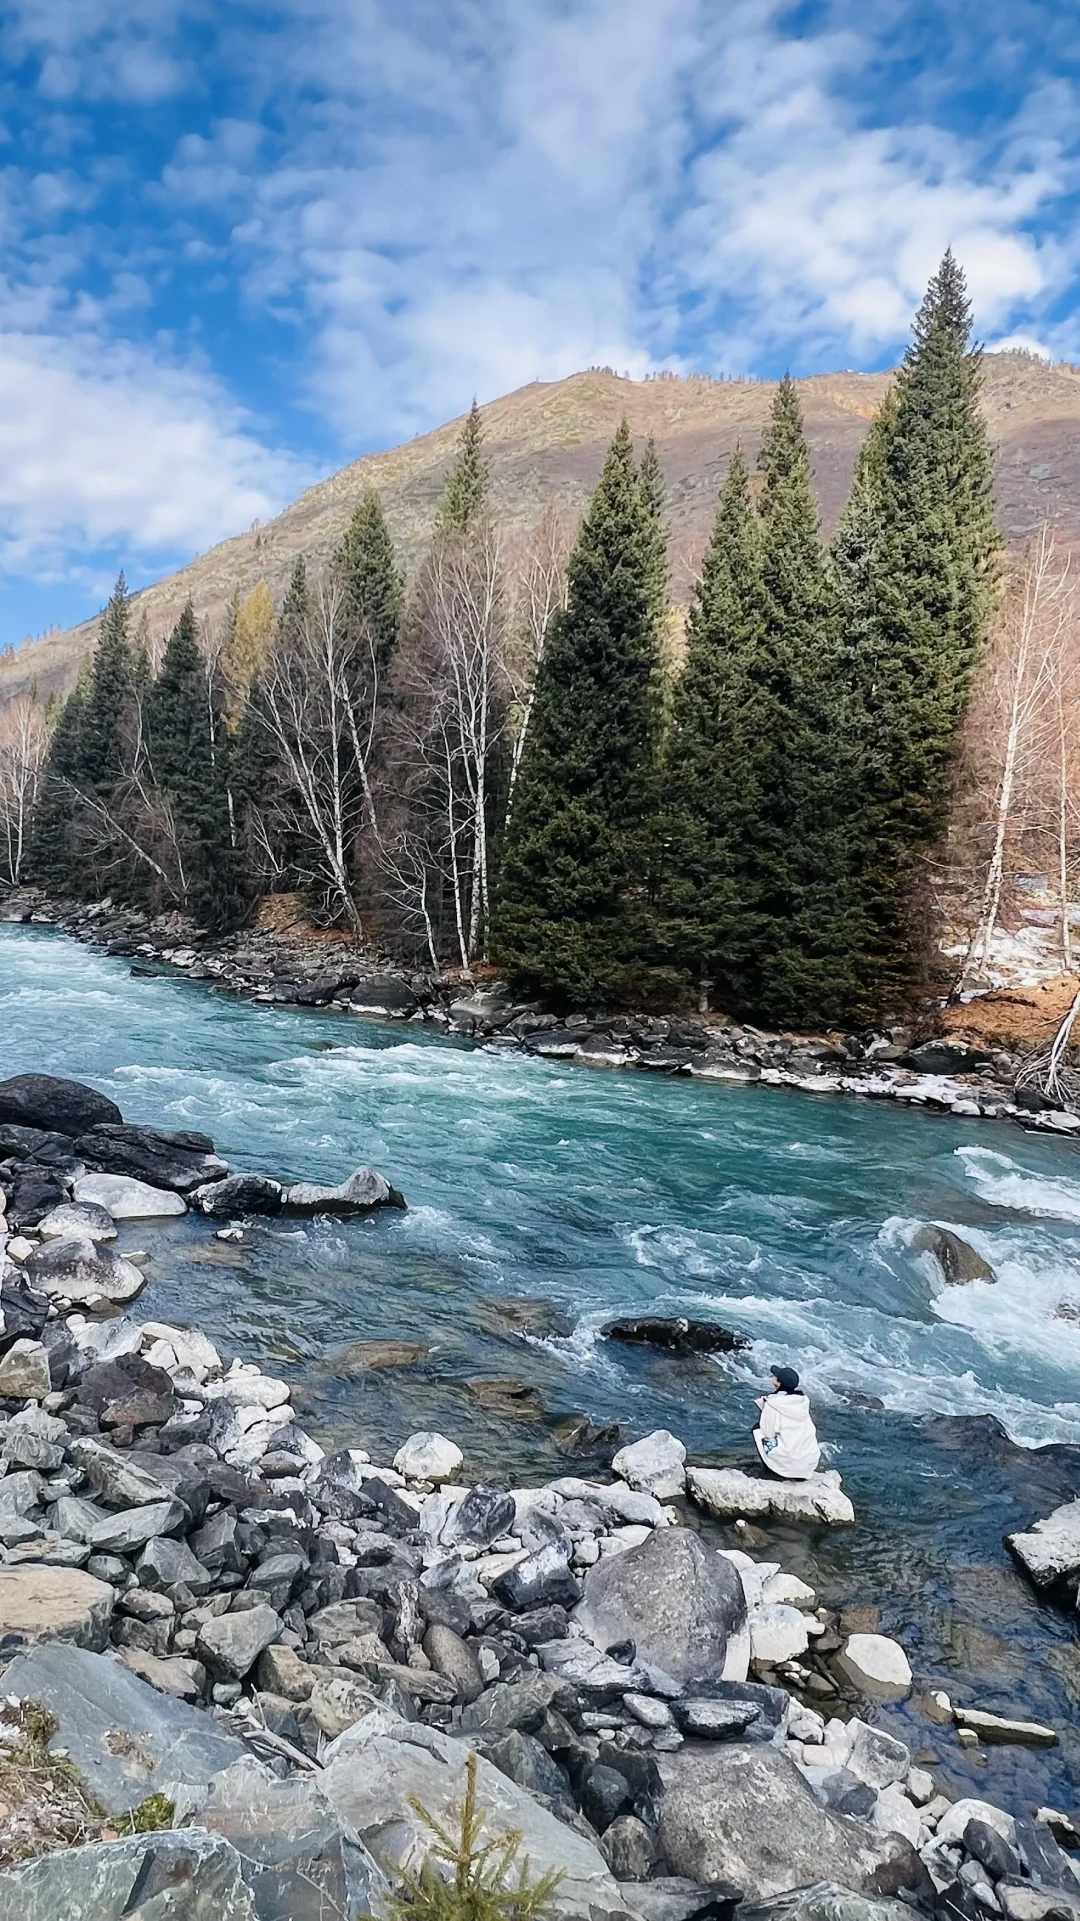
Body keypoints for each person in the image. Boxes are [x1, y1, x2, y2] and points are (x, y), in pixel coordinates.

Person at [752, 1365, 821, 1479]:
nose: (773, 1377)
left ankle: (772, 1470)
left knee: (757, 1430)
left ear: (778, 1383)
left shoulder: (773, 1404)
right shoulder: (802, 1402)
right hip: (808, 1465)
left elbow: (768, 1433)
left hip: (789, 1466)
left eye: (775, 1376)